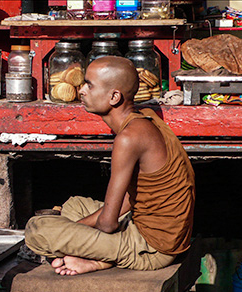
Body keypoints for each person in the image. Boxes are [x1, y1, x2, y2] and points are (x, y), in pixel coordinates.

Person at [24, 56, 195, 275]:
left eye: (89, 85)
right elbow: (129, 198)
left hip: (153, 249)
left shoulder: (129, 138)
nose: (82, 91)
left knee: (37, 230)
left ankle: (98, 258)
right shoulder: (145, 117)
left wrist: (72, 232)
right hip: (141, 224)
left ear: (114, 96)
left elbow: (108, 224)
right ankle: (90, 254)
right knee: (74, 205)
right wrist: (74, 231)